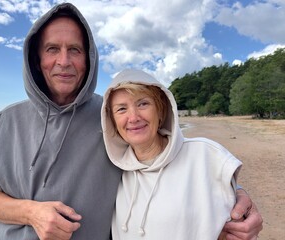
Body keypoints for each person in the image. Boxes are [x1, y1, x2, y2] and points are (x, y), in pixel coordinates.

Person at [0, 2, 262, 240]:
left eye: (75, 50)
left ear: (89, 59)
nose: (64, 61)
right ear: (36, 59)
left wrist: (234, 195)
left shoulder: (114, 118)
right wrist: (31, 213)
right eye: (52, 49)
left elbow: (166, 156)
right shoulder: (2, 125)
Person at [100, 68, 261, 239]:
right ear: (112, 121)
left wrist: (241, 197)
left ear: (161, 110)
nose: (133, 117)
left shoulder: (206, 155)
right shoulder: (113, 169)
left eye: (143, 104)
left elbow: (237, 224)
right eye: (121, 109)